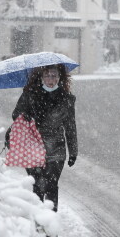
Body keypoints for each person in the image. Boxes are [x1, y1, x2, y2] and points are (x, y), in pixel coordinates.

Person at [12, 64, 78, 211]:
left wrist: (73, 151)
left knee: (51, 185)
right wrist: (24, 115)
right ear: (41, 77)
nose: (50, 79)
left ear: (60, 77)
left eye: (54, 75)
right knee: (37, 185)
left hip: (56, 148)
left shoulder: (66, 99)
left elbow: (70, 127)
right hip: (32, 145)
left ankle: (51, 221)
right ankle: (38, 219)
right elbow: (15, 114)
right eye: (47, 75)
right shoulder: (29, 94)